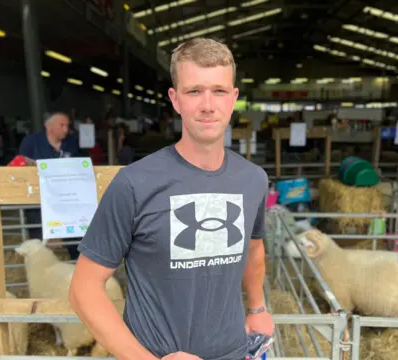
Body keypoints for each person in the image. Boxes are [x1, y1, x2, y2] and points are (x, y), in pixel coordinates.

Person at [69, 37, 274, 360]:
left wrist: (258, 306)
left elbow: (254, 247)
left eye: (219, 91)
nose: (208, 104)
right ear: (175, 100)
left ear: (233, 98)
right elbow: (83, 289)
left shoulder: (252, 180)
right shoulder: (134, 184)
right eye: (194, 91)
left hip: (234, 351)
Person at [18, 112, 81, 260]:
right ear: (48, 125)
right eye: (62, 125)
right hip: (38, 199)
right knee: (38, 239)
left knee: (74, 237)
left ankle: (77, 268)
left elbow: (80, 164)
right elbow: (21, 162)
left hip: (66, 198)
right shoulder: (31, 141)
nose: (66, 129)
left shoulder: (72, 142)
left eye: (68, 126)